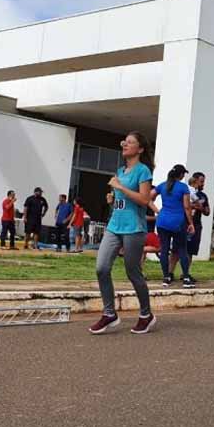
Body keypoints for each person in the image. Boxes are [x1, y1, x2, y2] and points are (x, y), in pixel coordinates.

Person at [89, 131, 156, 335]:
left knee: (132, 272)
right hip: (114, 226)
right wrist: (113, 199)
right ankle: (109, 313)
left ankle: (146, 315)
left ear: (140, 149)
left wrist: (120, 187)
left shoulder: (143, 171)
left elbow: (145, 200)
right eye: (124, 142)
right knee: (101, 268)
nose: (124, 145)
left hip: (134, 228)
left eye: (130, 142)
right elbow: (123, 202)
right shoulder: (121, 170)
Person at [153, 164, 196, 288]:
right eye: (183, 174)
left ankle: (166, 278)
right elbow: (187, 207)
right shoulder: (183, 187)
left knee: (164, 249)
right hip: (178, 222)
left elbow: (148, 198)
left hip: (162, 221)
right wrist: (191, 223)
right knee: (182, 250)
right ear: (181, 175)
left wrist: (157, 210)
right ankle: (186, 278)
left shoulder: (162, 185)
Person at [187, 172, 211, 265]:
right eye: (201, 181)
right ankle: (170, 272)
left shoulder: (203, 196)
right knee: (178, 250)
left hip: (196, 224)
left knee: (191, 250)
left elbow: (207, 212)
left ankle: (185, 273)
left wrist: (202, 208)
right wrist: (193, 206)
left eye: (203, 182)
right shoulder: (186, 192)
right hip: (185, 224)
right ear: (195, 181)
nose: (203, 184)